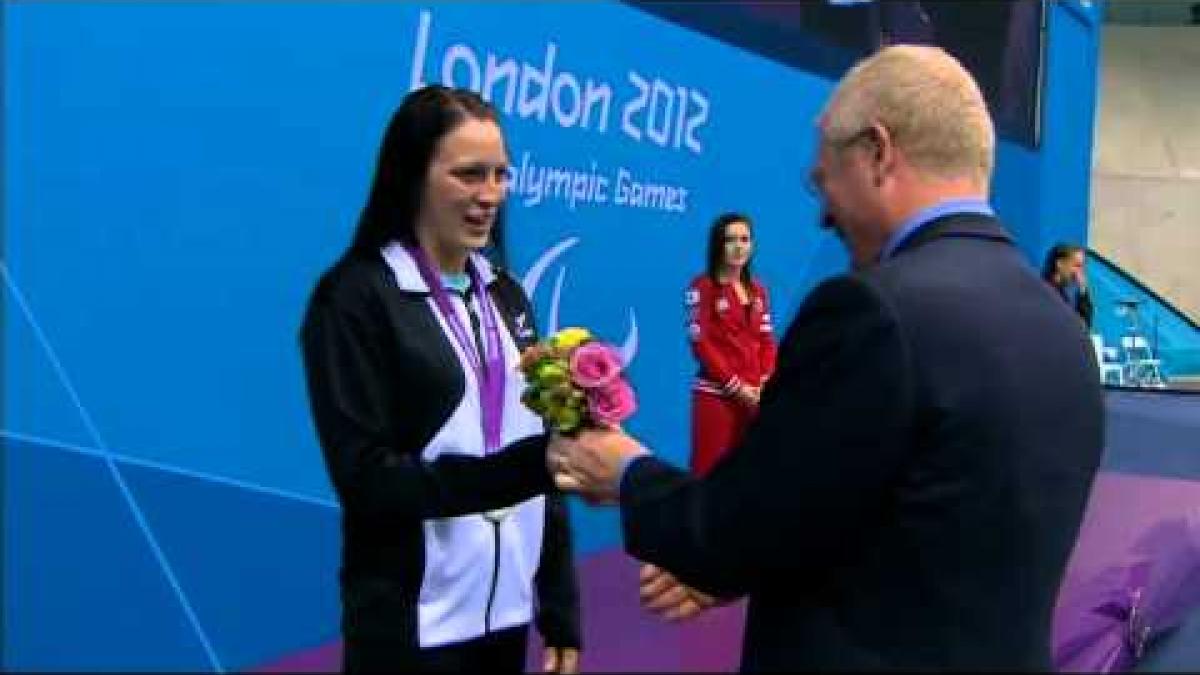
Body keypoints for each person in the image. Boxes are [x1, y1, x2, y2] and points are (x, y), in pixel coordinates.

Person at [548, 45, 1104, 670]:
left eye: (822, 180)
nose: (820, 214)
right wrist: (741, 561)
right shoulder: (1063, 329)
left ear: (876, 152)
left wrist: (625, 474)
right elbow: (904, 520)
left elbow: (745, 523)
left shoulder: (874, 312)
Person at [299, 85, 580, 673]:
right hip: (408, 631)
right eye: (468, 174)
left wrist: (558, 608)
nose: (490, 196)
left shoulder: (506, 294)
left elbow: (540, 449)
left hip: (504, 620)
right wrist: (526, 470)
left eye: (501, 175)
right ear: (412, 176)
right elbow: (367, 480)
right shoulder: (355, 298)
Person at [685, 213, 777, 476]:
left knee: (751, 475)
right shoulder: (702, 287)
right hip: (716, 396)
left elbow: (766, 340)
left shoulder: (759, 290)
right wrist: (736, 387)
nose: (738, 247)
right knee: (709, 473)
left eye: (745, 239)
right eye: (730, 240)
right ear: (718, 245)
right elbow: (701, 345)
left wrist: (765, 381)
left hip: (755, 398)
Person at [1042, 242, 1094, 328]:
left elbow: (1083, 326)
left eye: (1082, 267)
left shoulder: (1061, 293)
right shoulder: (1047, 292)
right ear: (1060, 264)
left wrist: (1083, 291)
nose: (1079, 273)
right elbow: (1079, 326)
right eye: (1077, 266)